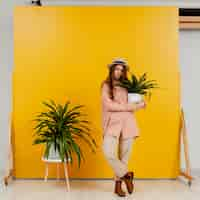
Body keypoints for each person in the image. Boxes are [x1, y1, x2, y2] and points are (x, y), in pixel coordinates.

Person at [100, 58, 146, 197]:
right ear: (112, 69)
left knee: (124, 157)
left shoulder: (129, 86)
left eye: (121, 69)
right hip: (112, 124)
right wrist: (130, 107)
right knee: (109, 153)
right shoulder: (106, 85)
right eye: (116, 69)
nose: (119, 71)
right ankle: (127, 175)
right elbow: (108, 105)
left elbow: (137, 102)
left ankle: (118, 187)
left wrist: (141, 103)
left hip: (128, 124)